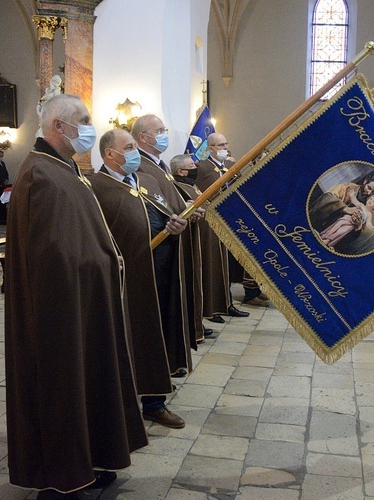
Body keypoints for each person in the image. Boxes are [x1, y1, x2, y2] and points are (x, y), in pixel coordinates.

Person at [4, 94, 147, 497]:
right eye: (82, 120)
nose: (89, 126)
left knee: (89, 382)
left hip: (84, 302)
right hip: (59, 312)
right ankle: (59, 476)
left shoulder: (65, 169)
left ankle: (89, 459)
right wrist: (96, 267)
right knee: (61, 387)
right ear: (58, 127)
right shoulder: (40, 177)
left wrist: (104, 265)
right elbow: (50, 257)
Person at [90, 128, 189, 430]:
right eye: (130, 147)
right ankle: (123, 403)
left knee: (153, 335)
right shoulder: (96, 187)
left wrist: (175, 226)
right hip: (124, 280)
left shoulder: (144, 180)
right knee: (128, 338)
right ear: (110, 154)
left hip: (158, 271)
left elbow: (166, 212)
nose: (135, 152)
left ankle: (155, 402)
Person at [133, 114, 206, 347]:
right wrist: (179, 211)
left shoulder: (158, 164)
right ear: (143, 137)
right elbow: (153, 203)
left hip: (175, 236)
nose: (165, 135)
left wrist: (185, 208)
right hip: (162, 243)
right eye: (160, 130)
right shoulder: (141, 166)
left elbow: (168, 198)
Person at [197, 132, 267, 312]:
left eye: (226, 144)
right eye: (221, 145)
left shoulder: (231, 167)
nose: (225, 148)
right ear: (210, 148)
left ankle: (230, 300)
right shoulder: (202, 167)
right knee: (219, 263)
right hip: (213, 221)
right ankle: (221, 301)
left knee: (230, 262)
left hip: (233, 221)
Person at [171, 153, 222, 341]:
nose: (196, 167)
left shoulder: (192, 185)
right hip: (191, 240)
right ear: (181, 171)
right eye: (192, 165)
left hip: (203, 238)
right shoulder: (178, 187)